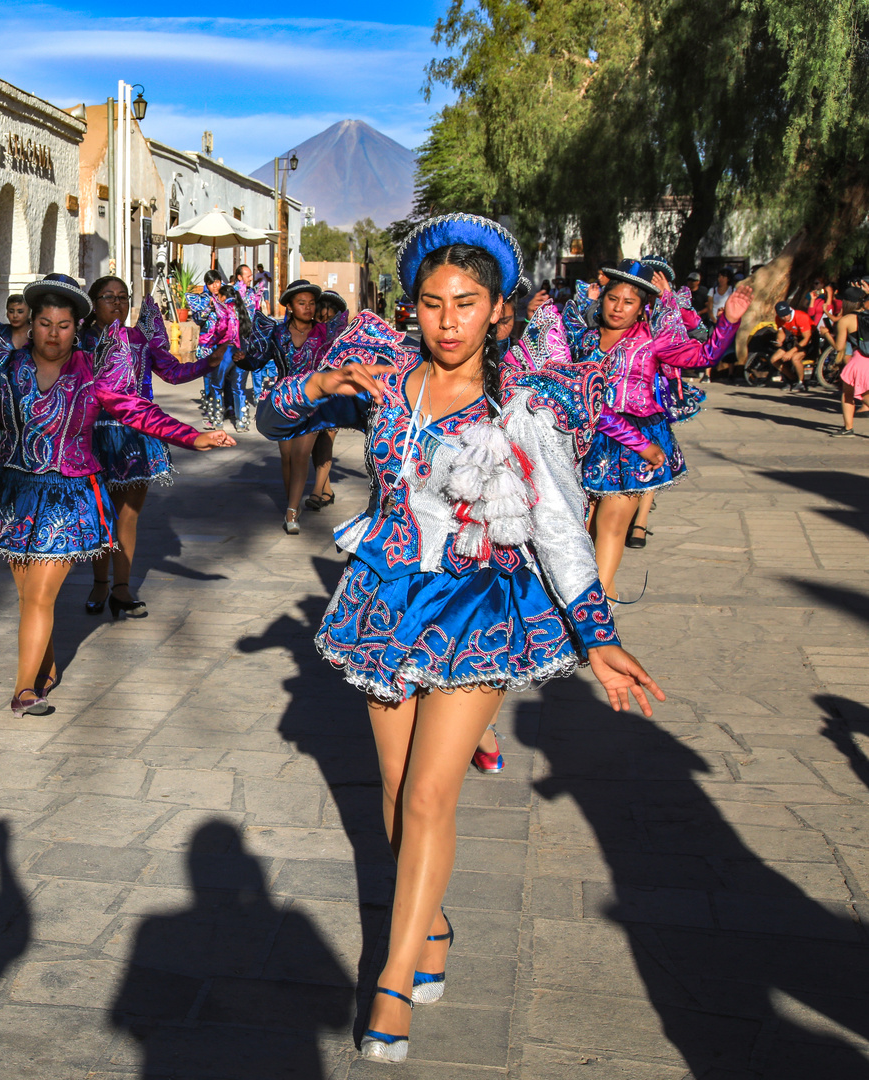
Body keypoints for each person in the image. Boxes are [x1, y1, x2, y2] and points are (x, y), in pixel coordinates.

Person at [259, 214, 663, 1063]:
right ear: (414, 308)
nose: (448, 320)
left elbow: (556, 525)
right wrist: (325, 377)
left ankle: (394, 978)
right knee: (395, 787)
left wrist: (598, 635)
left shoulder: (523, 406)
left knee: (430, 797)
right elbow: (272, 417)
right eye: (433, 304)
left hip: (479, 608)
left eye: (467, 304)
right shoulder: (384, 379)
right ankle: (431, 921)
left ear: (499, 312)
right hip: (382, 599)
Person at [0, 274, 235, 714]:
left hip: (69, 498)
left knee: (39, 596)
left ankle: (23, 691)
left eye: (64, 325)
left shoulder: (93, 374)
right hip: (12, 490)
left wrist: (193, 437)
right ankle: (45, 665)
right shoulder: (7, 367)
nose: (54, 333)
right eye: (46, 323)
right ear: (31, 324)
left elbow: (139, 410)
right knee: (27, 594)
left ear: (76, 328)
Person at [574, 263, 746, 595]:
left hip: (633, 446)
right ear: (603, 299)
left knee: (611, 527)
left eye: (629, 302)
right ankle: (588, 600)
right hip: (583, 440)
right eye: (613, 299)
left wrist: (729, 322)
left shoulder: (651, 340)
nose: (619, 307)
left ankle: (600, 604)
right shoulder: (584, 338)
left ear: (641, 310)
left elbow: (704, 356)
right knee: (581, 527)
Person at [77, 277, 212, 616]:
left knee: (128, 516)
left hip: (138, 434)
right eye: (108, 297)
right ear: (94, 303)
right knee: (100, 514)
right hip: (92, 437)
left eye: (123, 297)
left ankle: (122, 587)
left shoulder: (140, 338)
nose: (117, 303)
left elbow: (173, 373)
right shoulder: (78, 341)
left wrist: (211, 362)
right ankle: (99, 583)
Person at [242, 279, 357, 534]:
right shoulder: (278, 334)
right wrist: (243, 361)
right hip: (284, 401)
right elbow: (257, 360)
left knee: (300, 456)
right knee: (286, 457)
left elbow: (341, 358)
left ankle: (292, 512)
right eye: (302, 303)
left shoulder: (325, 333)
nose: (308, 307)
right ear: (290, 306)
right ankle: (291, 502)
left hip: (312, 404)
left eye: (312, 303)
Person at [186, 270, 245, 431]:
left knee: (231, 379)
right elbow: (198, 319)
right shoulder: (204, 299)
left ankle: (230, 408)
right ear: (207, 285)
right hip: (209, 343)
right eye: (211, 283)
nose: (215, 286)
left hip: (228, 344)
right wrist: (209, 308)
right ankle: (212, 412)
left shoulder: (228, 296)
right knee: (210, 378)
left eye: (217, 282)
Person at [830, 285, 869, 437]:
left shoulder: (846, 320)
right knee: (848, 392)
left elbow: (839, 347)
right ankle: (847, 428)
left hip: (860, 361)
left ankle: (848, 428)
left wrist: (827, 334)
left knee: (862, 395)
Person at [770, 302, 815, 388]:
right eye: (782, 316)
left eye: (787, 315)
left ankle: (801, 382)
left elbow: (806, 338)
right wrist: (779, 340)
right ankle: (792, 379)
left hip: (808, 339)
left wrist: (790, 352)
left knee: (795, 358)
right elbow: (781, 332)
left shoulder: (801, 317)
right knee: (774, 359)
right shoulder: (779, 319)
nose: (785, 318)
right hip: (795, 338)